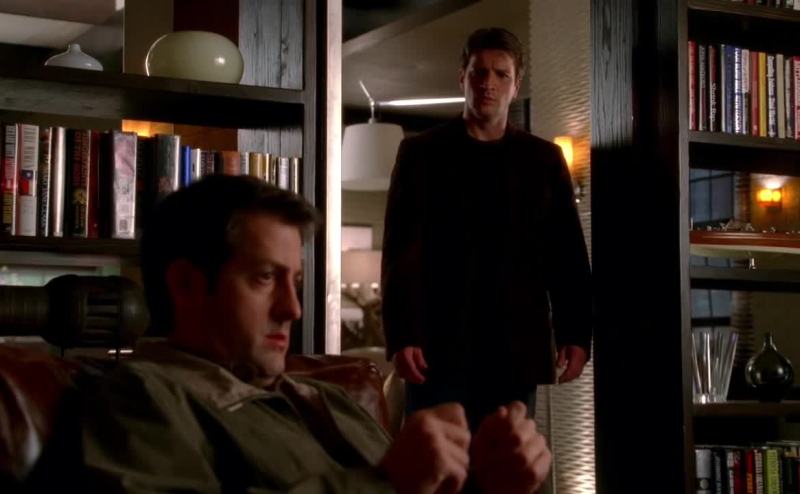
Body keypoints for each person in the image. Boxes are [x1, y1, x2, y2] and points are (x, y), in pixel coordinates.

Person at [80, 174, 552, 493]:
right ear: (186, 284)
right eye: (265, 278)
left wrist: (489, 481)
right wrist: (385, 483)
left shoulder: (329, 398)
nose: (293, 308)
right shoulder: (139, 398)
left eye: (296, 282)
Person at [382, 27, 593, 431]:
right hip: (437, 344)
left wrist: (577, 334)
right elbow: (400, 254)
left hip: (515, 344)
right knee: (435, 459)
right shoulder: (420, 154)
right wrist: (402, 334)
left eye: (501, 74)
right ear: (461, 76)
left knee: (508, 459)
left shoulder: (543, 160)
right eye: (479, 72)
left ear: (516, 84)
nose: (488, 83)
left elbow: (566, 254)